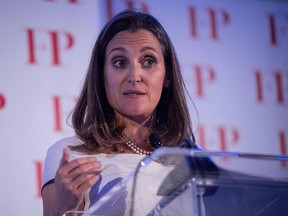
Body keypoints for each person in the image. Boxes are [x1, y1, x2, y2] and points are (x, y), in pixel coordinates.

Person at [41, 9, 195, 216]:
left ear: (167, 76)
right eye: (120, 62)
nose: (134, 75)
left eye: (148, 61)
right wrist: (64, 208)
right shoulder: (70, 155)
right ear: (102, 76)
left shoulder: (192, 161)